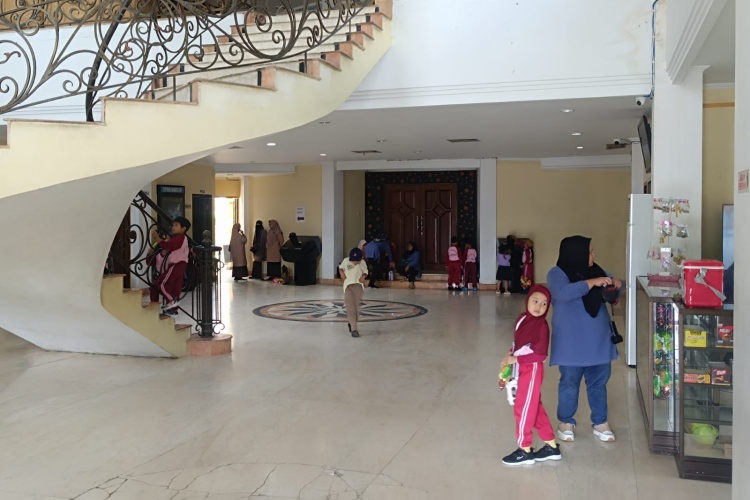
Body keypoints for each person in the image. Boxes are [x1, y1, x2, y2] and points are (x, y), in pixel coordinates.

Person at [547, 235, 622, 443]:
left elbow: (614, 286)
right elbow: (563, 293)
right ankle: (565, 422)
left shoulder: (597, 270)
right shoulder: (557, 274)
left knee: (598, 383)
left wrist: (617, 284)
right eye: (590, 252)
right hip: (571, 342)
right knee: (569, 384)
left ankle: (600, 422)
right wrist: (591, 283)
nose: (593, 255)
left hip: (598, 339)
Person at [499, 285, 561, 466]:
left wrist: (516, 360)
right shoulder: (522, 319)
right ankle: (551, 447)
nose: (539, 306)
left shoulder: (542, 326)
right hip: (521, 366)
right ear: (527, 300)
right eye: (535, 301)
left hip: (532, 369)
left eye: (544, 304)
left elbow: (540, 355)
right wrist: (509, 355)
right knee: (534, 407)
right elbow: (519, 343)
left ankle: (525, 449)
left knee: (523, 408)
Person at [149, 216, 191, 316]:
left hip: (177, 264)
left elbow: (168, 246)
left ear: (183, 228)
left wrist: (157, 238)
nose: (173, 227)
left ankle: (172, 302)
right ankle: (174, 310)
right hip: (180, 265)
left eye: (176, 225)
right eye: (173, 225)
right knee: (175, 288)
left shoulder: (180, 238)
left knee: (162, 284)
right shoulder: (181, 238)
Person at [338, 247, 369, 338]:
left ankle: (351, 323)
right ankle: (354, 329)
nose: (355, 262)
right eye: (353, 260)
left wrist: (363, 276)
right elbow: (341, 268)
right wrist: (342, 273)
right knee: (350, 307)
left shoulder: (362, 263)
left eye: (357, 261)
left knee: (356, 309)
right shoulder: (346, 261)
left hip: (358, 286)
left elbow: (365, 272)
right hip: (348, 287)